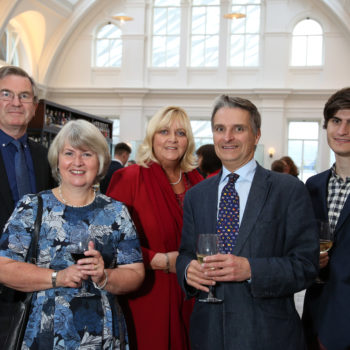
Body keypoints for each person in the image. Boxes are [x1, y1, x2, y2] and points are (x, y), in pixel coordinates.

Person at [176, 95, 319, 350]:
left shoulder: (288, 190)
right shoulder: (197, 195)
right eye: (220, 129)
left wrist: (251, 269)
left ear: (256, 135)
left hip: (268, 335)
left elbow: (306, 266)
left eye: (238, 129)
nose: (227, 137)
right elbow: (186, 253)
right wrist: (188, 271)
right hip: (208, 334)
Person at [0, 119, 145, 349]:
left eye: (87, 154)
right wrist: (58, 277)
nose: (77, 162)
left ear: (99, 162)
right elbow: (4, 268)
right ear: (57, 160)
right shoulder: (31, 207)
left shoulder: (116, 212)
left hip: (103, 337)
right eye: (69, 153)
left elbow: (135, 273)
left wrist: (104, 276)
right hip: (44, 336)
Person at [107, 106, 203, 350]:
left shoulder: (199, 182)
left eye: (180, 133)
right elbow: (110, 242)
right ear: (152, 138)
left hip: (193, 293)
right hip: (149, 294)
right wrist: (160, 261)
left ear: (188, 141)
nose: (172, 139)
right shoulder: (130, 178)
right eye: (164, 131)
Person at [302, 87, 350, 350]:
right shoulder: (313, 185)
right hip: (316, 317)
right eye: (336, 121)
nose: (342, 130)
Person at [0, 65, 54, 235]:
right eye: (6, 94)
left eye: (24, 96)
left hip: (36, 257)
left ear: (35, 107)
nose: (16, 103)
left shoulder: (46, 156)